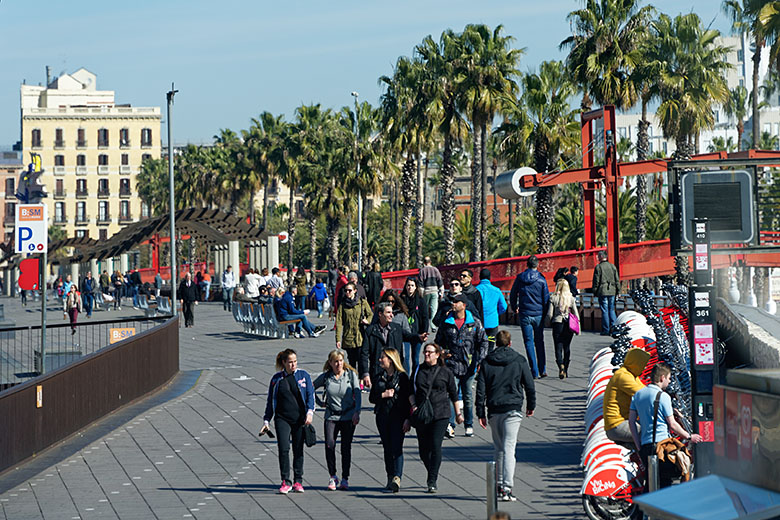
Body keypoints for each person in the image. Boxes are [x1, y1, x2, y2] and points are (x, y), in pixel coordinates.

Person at [476, 330, 536, 502]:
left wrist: (480, 412)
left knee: (499, 448)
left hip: (494, 408)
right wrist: (530, 405)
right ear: (510, 343)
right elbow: (529, 385)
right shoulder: (519, 360)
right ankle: (507, 488)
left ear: (496, 343)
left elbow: (481, 390)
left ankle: (499, 483)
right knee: (510, 447)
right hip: (513, 408)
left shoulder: (487, 362)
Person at [629, 362, 702, 489]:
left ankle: (644, 507)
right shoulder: (663, 397)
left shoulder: (638, 395)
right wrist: (689, 436)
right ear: (662, 378)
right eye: (668, 378)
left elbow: (631, 422)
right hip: (662, 446)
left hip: (645, 446)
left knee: (650, 481)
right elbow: (672, 424)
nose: (668, 382)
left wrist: (638, 444)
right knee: (666, 481)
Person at [261, 349, 315, 494]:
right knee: (284, 449)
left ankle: (298, 481)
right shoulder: (276, 379)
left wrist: (310, 413)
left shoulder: (304, 376)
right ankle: (286, 481)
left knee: (298, 449)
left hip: (299, 419)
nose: (293, 365)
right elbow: (271, 401)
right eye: (290, 362)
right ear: (284, 363)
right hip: (282, 418)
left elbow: (310, 395)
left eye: (295, 361)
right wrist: (266, 420)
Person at [435, 293, 488, 438]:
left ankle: (469, 424)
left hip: (469, 365)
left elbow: (483, 341)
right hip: (451, 365)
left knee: (467, 396)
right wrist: (442, 353)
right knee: (451, 395)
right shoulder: (447, 322)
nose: (453, 304)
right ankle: (450, 425)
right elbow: (438, 341)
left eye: (457, 302)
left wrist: (479, 360)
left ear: (464, 305)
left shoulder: (474, 322)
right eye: (453, 301)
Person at [411, 343, 461, 493]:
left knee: (435, 444)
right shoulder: (418, 369)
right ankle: (432, 470)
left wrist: (458, 414)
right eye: (425, 352)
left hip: (441, 414)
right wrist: (413, 405)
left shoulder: (446, 372)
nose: (426, 354)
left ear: (437, 354)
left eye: (430, 352)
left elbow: (454, 394)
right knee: (423, 451)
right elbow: (410, 389)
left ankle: (432, 480)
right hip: (423, 414)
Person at [313, 349, 362, 492]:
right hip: (331, 416)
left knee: (346, 447)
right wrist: (318, 402)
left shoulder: (350, 375)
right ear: (330, 363)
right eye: (336, 361)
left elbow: (357, 393)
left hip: (347, 416)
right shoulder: (326, 377)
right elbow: (310, 387)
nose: (339, 364)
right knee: (330, 444)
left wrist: (357, 412)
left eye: (341, 361)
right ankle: (333, 476)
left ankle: (345, 478)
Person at [369, 348, 412, 493]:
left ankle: (397, 478)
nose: (380, 360)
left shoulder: (402, 377)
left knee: (397, 447)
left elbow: (408, 400)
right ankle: (390, 476)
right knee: (387, 448)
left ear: (391, 360)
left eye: (383, 358)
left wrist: (408, 419)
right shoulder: (378, 376)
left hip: (398, 417)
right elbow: (371, 398)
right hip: (382, 416)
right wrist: (383, 395)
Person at [360, 302, 426, 388]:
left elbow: (408, 336)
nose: (392, 315)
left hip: (395, 371)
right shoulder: (371, 331)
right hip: (378, 371)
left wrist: (419, 337)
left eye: (392, 313)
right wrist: (365, 373)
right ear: (380, 314)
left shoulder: (396, 328)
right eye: (388, 312)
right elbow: (364, 354)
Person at [509, 255, 550, 378]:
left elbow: (512, 294)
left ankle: (534, 371)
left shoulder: (520, 278)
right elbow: (546, 299)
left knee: (528, 342)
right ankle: (543, 369)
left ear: (527, 265)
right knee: (539, 341)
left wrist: (514, 306)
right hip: (538, 314)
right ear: (537, 265)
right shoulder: (542, 280)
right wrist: (545, 314)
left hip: (525, 313)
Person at [603, 348, 651, 447]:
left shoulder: (631, 375)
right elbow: (643, 394)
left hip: (623, 421)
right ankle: (650, 462)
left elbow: (646, 391)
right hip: (617, 424)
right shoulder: (623, 376)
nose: (645, 367)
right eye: (643, 364)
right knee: (653, 433)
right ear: (636, 363)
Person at [546, 279, 580, 379]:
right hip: (568, 324)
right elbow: (576, 314)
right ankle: (566, 369)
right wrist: (578, 329)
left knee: (558, 346)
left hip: (557, 324)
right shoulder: (571, 298)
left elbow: (549, 314)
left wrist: (548, 323)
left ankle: (560, 365)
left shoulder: (553, 298)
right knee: (567, 347)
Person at [335, 283, 372, 368]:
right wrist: (338, 339)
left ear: (355, 291)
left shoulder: (362, 302)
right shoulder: (342, 305)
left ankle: (361, 380)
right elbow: (339, 323)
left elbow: (370, 315)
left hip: (361, 337)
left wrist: (367, 321)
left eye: (350, 290)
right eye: (346, 291)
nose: (347, 292)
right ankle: (353, 379)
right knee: (352, 362)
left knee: (361, 361)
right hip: (348, 338)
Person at [400, 277, 429, 374]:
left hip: (418, 334)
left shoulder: (421, 301)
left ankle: (415, 378)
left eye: (412, 285)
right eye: (408, 285)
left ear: (416, 287)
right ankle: (407, 380)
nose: (410, 288)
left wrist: (424, 332)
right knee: (406, 358)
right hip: (406, 334)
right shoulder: (401, 300)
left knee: (415, 359)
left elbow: (425, 318)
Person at [475, 268, 507, 350]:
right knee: (490, 345)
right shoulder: (496, 290)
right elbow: (504, 306)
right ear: (489, 278)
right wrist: (496, 313)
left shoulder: (475, 290)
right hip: (492, 323)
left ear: (480, 277)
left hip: (479, 323)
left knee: (479, 346)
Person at [592, 250, 620, 335]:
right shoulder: (612, 266)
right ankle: (614, 328)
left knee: (604, 310)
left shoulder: (598, 267)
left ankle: (606, 330)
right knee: (611, 309)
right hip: (612, 290)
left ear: (600, 257)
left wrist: (595, 291)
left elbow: (596, 281)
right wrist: (618, 291)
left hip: (603, 290)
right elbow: (617, 280)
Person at [419, 256, 444, 332]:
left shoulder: (422, 271)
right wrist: (441, 292)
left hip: (426, 292)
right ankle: (433, 326)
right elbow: (440, 281)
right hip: (434, 291)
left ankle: (425, 326)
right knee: (434, 309)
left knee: (425, 310)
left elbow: (420, 283)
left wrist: (421, 294)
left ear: (424, 263)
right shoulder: (435, 270)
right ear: (430, 262)